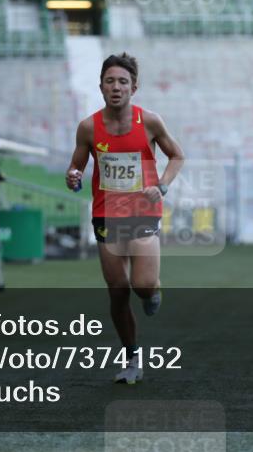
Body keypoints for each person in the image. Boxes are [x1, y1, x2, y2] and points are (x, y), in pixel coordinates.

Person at [65, 52, 184, 384]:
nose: (116, 87)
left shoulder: (150, 122)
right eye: (110, 81)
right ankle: (132, 358)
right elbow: (76, 166)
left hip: (143, 210)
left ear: (134, 87)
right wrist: (73, 176)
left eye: (122, 82)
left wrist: (161, 186)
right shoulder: (88, 127)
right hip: (107, 213)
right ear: (101, 86)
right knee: (117, 291)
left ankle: (153, 290)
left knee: (142, 286)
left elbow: (177, 155)